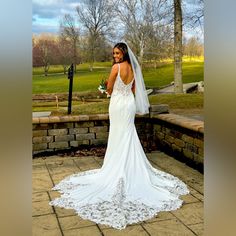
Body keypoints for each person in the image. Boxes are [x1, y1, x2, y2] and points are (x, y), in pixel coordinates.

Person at [49, 42, 189, 230]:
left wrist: (104, 90)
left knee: (118, 134)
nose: (115, 55)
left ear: (123, 53)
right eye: (114, 52)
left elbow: (108, 88)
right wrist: (121, 92)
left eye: (117, 52)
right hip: (128, 104)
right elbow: (133, 89)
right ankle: (129, 167)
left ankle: (117, 169)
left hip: (117, 104)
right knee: (127, 133)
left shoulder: (116, 68)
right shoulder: (133, 68)